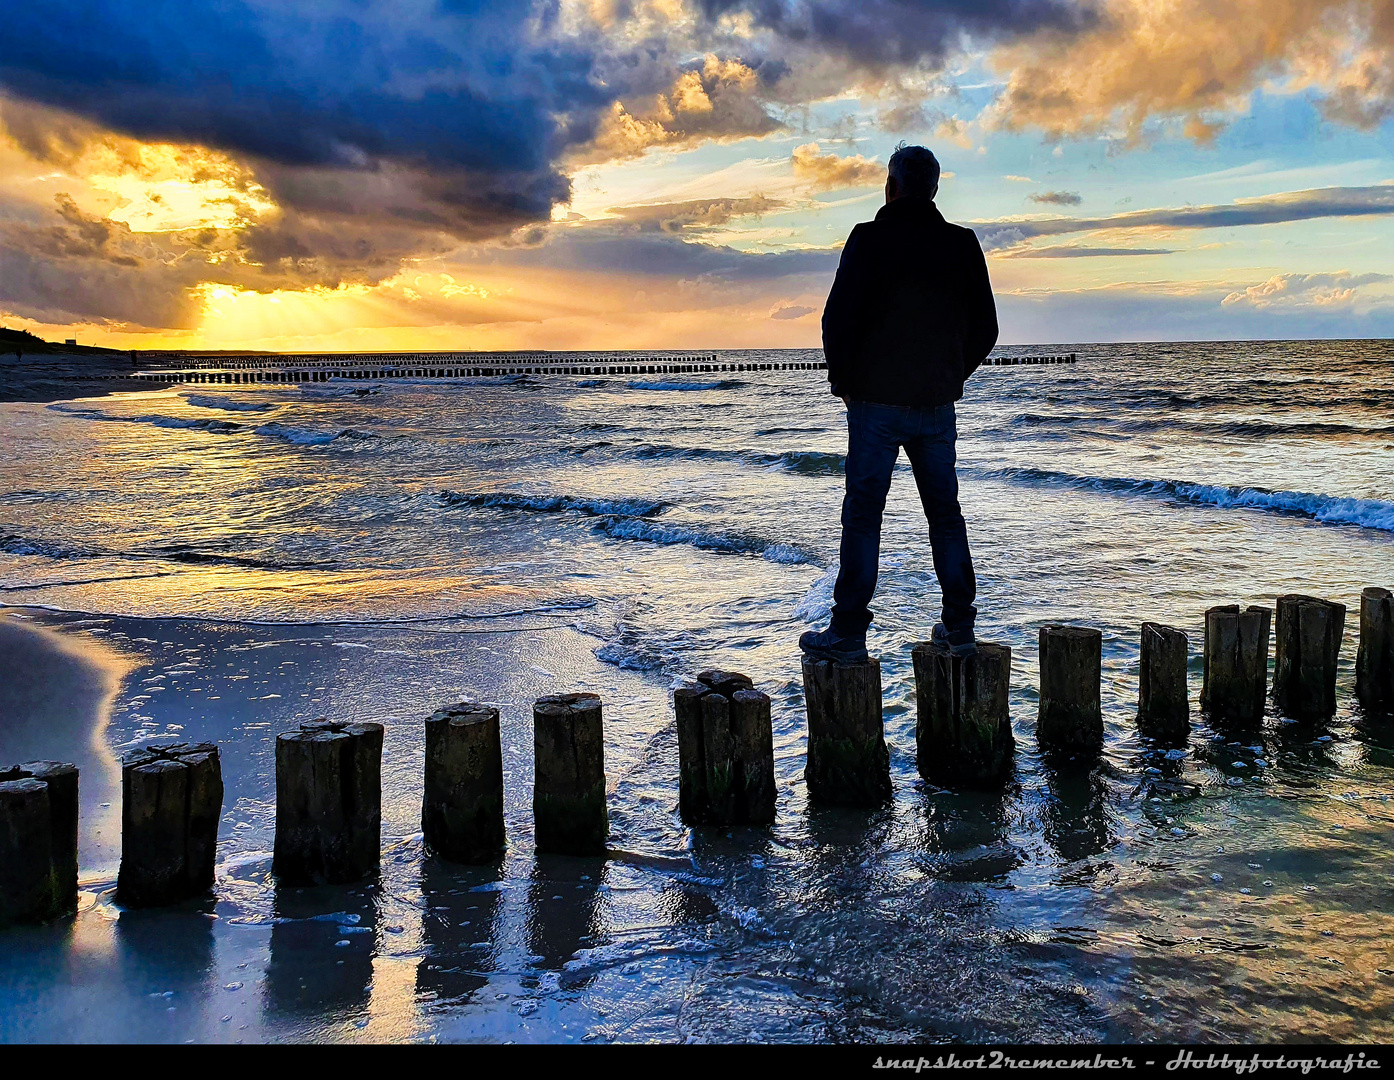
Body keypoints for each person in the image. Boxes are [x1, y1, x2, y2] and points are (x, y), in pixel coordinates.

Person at [799, 143, 998, 664]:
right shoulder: (961, 244)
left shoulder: (869, 238)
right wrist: (951, 375)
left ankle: (848, 632)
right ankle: (959, 628)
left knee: (864, 517)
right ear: (933, 189)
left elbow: (836, 320)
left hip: (875, 406)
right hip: (935, 405)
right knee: (945, 516)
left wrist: (846, 383)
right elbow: (987, 329)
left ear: (891, 187)